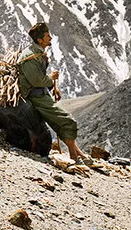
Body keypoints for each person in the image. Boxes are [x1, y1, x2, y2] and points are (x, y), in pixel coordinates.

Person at [17, 22, 88, 162]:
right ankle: (74, 155)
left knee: (62, 122)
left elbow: (38, 79)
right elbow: (36, 81)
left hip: (41, 94)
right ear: (39, 40)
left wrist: (53, 88)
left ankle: (76, 152)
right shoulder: (30, 56)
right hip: (35, 97)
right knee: (68, 121)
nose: (50, 38)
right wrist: (51, 78)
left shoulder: (36, 52)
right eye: (47, 36)